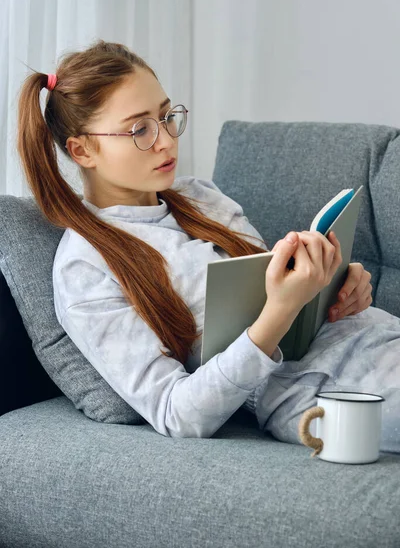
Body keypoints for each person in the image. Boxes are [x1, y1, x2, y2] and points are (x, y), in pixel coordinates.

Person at [16, 40, 399, 452]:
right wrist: (282, 309)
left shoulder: (201, 196)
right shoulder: (84, 267)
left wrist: (335, 286)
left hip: (375, 335)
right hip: (326, 387)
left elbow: (271, 287)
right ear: (83, 149)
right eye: (139, 129)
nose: (165, 140)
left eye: (165, 117)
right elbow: (178, 413)